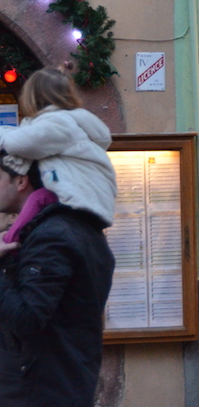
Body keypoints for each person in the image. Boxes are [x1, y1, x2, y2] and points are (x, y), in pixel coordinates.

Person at [0, 151, 115, 406]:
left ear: (21, 181)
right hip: (55, 384)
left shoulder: (52, 236)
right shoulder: (74, 227)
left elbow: (27, 318)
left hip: (39, 391)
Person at [0, 67, 117, 229]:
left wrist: (3, 136)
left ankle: (12, 238)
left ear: (32, 96)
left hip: (78, 201)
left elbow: (21, 142)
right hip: (87, 201)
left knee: (37, 200)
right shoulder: (69, 121)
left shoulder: (59, 122)